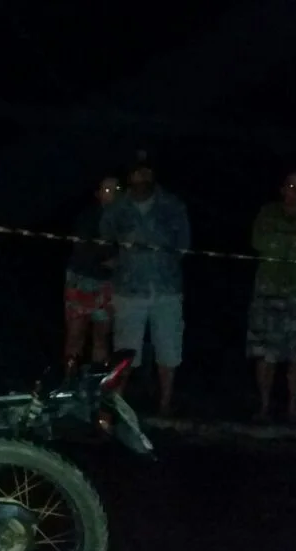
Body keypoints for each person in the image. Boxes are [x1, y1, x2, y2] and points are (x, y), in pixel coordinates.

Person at [100, 152, 190, 416]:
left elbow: (184, 244)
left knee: (169, 349)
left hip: (167, 289)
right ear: (130, 176)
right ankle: (116, 405)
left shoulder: (172, 205)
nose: (143, 177)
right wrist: (116, 259)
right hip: (129, 290)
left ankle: (166, 404)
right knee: (125, 351)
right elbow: (104, 241)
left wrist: (162, 257)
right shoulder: (117, 208)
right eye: (138, 173)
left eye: (147, 172)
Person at [246, 171, 296, 423]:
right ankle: (264, 406)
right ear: (282, 188)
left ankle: (293, 408)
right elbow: (260, 241)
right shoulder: (267, 212)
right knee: (265, 354)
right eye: (291, 185)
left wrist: (283, 239)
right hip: (268, 294)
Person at [63, 177, 120, 370]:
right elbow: (83, 250)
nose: (112, 194)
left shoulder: (123, 219)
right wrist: (109, 260)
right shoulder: (87, 217)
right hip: (81, 282)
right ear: (98, 193)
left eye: (116, 189)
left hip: (107, 286)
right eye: (107, 190)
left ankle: (96, 384)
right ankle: (67, 382)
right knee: (75, 337)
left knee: (101, 338)